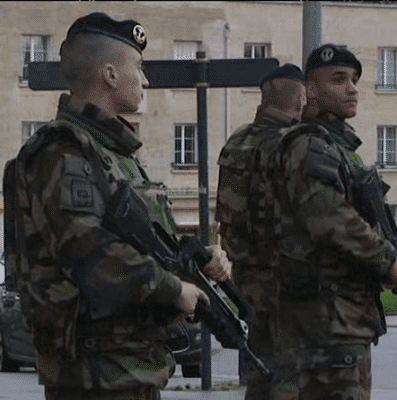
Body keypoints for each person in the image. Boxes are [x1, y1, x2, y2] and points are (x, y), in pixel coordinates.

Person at [7, 12, 231, 400]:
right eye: (139, 67)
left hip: (127, 366)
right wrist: (174, 289)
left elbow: (141, 244)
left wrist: (194, 261)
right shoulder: (63, 152)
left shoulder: (114, 155)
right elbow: (93, 255)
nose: (145, 80)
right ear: (110, 74)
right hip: (94, 372)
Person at [267, 44, 397, 399]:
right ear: (311, 91)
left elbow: (361, 227)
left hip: (344, 319)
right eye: (339, 79)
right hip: (324, 323)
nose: (352, 88)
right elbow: (331, 219)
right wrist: (389, 262)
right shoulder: (310, 145)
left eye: (355, 79)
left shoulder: (336, 149)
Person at [215, 63, 308, 400]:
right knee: (290, 375)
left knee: (260, 370)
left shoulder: (236, 140)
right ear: (300, 100)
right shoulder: (293, 144)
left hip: (246, 278)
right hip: (285, 279)